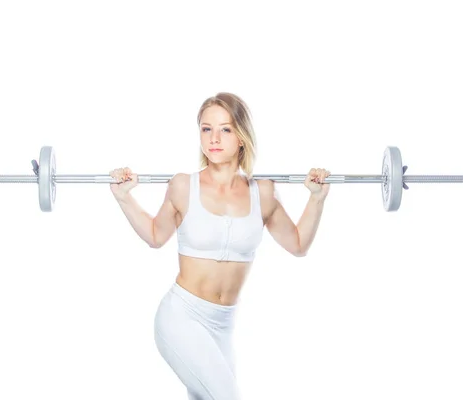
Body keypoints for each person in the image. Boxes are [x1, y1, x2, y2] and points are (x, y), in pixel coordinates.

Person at [108, 92, 331, 399]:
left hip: (223, 327)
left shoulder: (263, 192)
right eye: (206, 128)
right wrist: (124, 197)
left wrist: (317, 199)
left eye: (225, 129)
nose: (214, 138)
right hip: (180, 317)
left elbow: (298, 244)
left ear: (241, 137)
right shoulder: (184, 185)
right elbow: (155, 236)